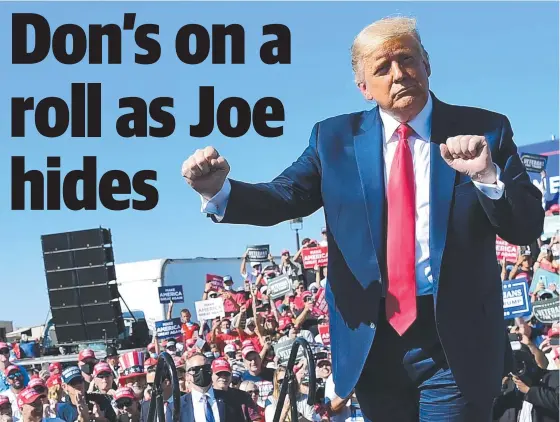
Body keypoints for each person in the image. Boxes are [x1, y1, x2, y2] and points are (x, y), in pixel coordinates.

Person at [181, 15, 545, 421]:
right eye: (382, 68)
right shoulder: (332, 140)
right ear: (364, 88)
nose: (399, 74)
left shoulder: (484, 130)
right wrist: (218, 190)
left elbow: (526, 226)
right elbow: (284, 197)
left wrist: (485, 175)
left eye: (407, 59)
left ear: (427, 62)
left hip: (454, 342)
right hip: (371, 345)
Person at [165, 353, 252, 422]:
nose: (201, 372)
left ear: (211, 371)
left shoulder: (231, 399)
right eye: (195, 369)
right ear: (187, 376)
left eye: (205, 368)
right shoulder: (176, 407)